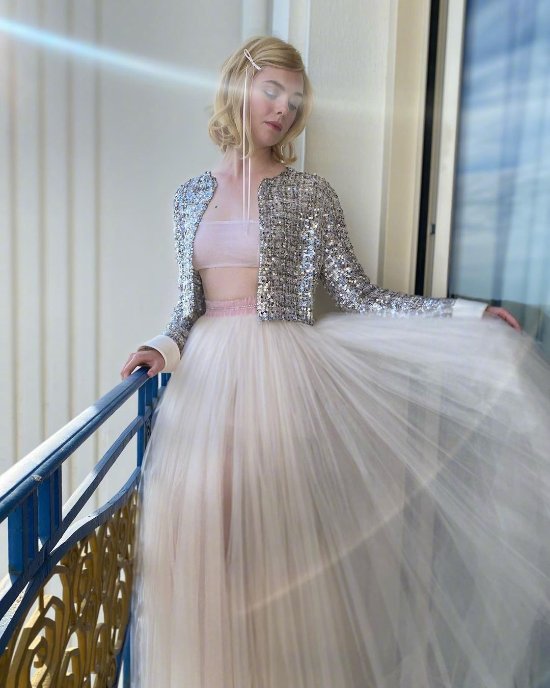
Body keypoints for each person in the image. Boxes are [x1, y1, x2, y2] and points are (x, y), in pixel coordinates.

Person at [122, 36, 550, 688]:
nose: (284, 109)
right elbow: (186, 307)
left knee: (266, 548)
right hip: (203, 386)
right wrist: (160, 346)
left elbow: (361, 296)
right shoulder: (188, 196)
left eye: (295, 100)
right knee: (197, 541)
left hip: (278, 379)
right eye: (272, 91)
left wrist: (466, 315)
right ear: (239, 87)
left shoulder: (310, 194)